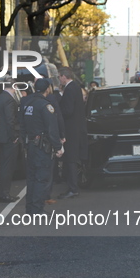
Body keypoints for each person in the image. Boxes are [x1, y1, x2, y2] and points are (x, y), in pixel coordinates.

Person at [19, 78, 64, 215]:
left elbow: (22, 126)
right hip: (42, 147)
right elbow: (52, 129)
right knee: (41, 178)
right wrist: (58, 147)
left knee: (32, 178)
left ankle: (30, 208)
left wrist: (25, 143)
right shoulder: (45, 105)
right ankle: (37, 209)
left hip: (31, 145)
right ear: (48, 89)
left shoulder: (27, 104)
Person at [58, 67, 88, 199]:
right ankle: (72, 186)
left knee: (70, 159)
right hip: (77, 128)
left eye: (59, 77)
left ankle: (73, 188)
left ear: (64, 76)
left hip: (71, 129)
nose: (59, 79)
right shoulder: (75, 87)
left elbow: (68, 110)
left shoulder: (69, 89)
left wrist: (58, 114)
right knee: (72, 159)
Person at [0, 78, 20, 203]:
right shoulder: (9, 100)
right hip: (9, 137)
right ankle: (5, 193)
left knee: (3, 165)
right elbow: (10, 120)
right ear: (14, 87)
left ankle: (1, 191)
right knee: (8, 166)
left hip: (1, 136)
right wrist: (14, 136)